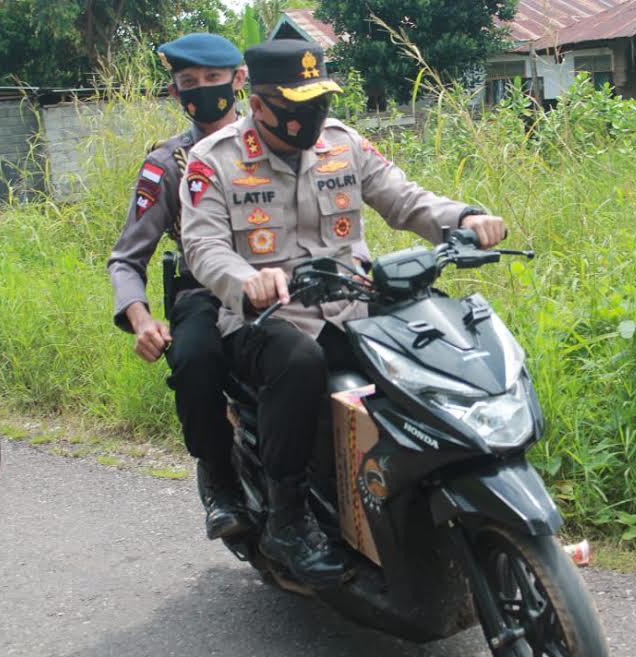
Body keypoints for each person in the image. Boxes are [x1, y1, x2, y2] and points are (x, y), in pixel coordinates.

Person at [180, 39, 506, 587]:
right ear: (258, 105)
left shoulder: (344, 143)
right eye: (297, 107)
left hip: (352, 303)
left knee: (430, 340)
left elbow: (405, 199)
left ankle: (425, 490)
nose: (313, 118)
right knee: (299, 360)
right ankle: (289, 520)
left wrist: (465, 217)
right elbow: (204, 246)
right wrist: (247, 279)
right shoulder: (212, 161)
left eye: (320, 103)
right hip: (267, 320)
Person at [107, 33, 256, 542]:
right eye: (189, 84)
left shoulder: (276, 143)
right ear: (175, 93)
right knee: (195, 360)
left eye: (213, 80)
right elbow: (127, 258)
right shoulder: (166, 165)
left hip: (282, 283)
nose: (202, 92)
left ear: (237, 81)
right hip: (206, 294)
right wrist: (141, 318)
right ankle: (218, 477)